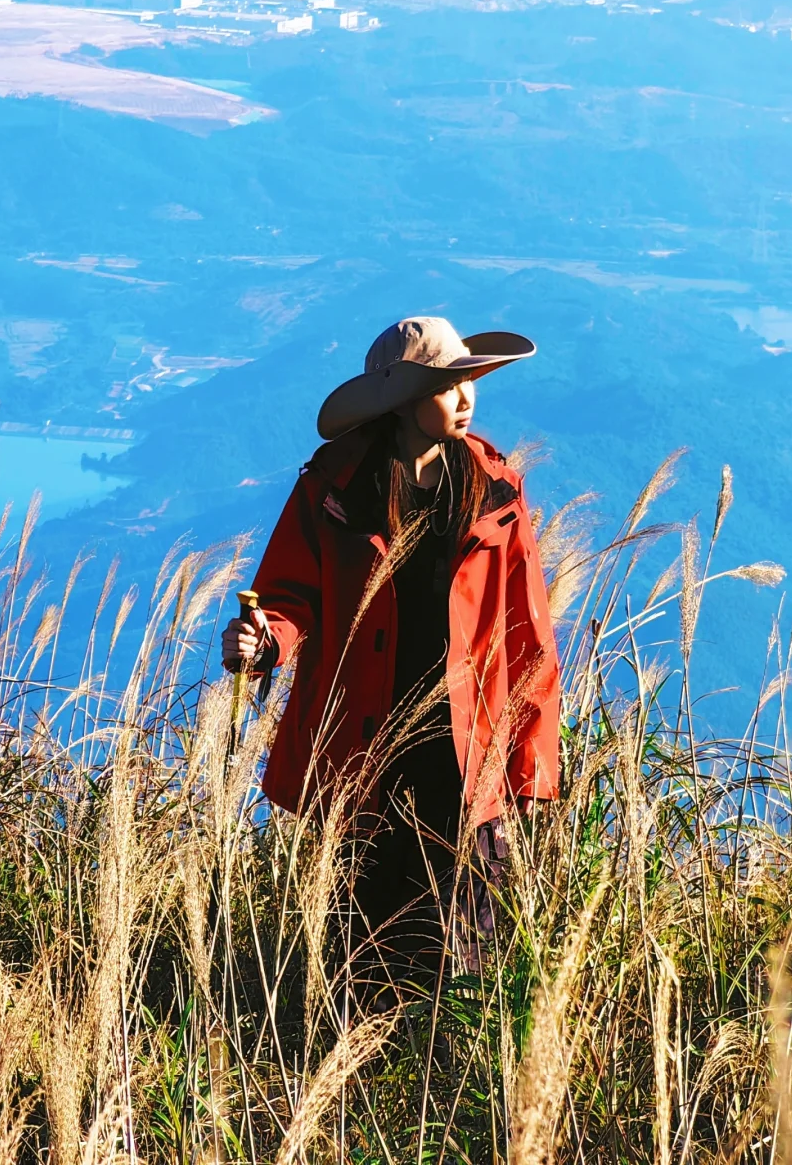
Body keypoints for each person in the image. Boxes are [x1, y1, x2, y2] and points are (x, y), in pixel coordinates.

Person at [222, 316, 560, 988]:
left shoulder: (496, 489)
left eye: (469, 383)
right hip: (366, 746)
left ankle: (445, 1078)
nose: (466, 398)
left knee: (467, 952)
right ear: (403, 402)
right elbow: (289, 596)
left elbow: (529, 632)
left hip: (468, 745)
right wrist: (263, 642)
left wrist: (532, 766)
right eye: (448, 386)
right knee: (364, 944)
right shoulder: (334, 488)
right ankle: (363, 1075)